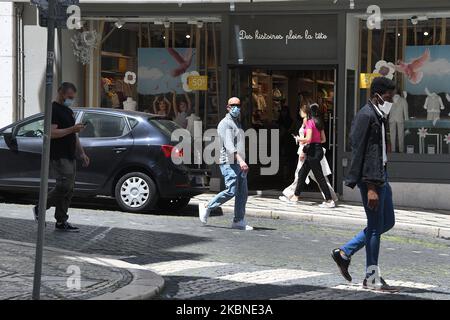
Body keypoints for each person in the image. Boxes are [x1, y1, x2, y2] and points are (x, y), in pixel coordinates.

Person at [331, 77, 398, 292]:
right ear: (377, 94)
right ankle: (371, 278)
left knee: (387, 222)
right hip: (372, 180)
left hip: (381, 176)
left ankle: (344, 252)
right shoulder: (366, 115)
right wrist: (369, 187)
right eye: (388, 96)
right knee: (376, 229)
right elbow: (360, 150)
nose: (391, 100)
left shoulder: (378, 115)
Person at [32, 82, 90, 232]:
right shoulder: (54, 110)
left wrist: (82, 153)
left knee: (69, 190)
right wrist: (72, 129)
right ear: (61, 93)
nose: (71, 99)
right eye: (69, 97)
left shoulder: (68, 111)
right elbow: (52, 133)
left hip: (70, 154)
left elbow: (73, 135)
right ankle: (40, 207)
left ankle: (61, 221)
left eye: (73, 97)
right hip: (59, 155)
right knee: (64, 186)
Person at [198, 97, 253, 231]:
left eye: (238, 105)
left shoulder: (237, 123)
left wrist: (243, 160)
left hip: (239, 162)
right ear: (227, 107)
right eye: (233, 105)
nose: (236, 108)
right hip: (229, 162)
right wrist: (240, 161)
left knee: (242, 192)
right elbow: (228, 145)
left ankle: (238, 220)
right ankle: (207, 206)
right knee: (231, 190)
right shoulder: (225, 124)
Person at [280, 102, 337, 203]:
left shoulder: (310, 122)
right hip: (316, 150)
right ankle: (295, 196)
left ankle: (329, 199)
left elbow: (308, 138)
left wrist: (299, 139)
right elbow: (323, 139)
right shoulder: (319, 122)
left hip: (312, 151)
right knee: (302, 174)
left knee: (319, 177)